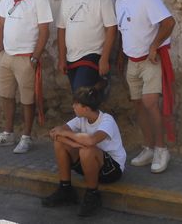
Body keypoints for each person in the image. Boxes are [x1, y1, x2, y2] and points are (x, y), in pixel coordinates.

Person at [108, 0, 176, 174]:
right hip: (132, 60)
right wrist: (121, 56)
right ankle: (148, 148)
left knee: (150, 103)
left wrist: (154, 46)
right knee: (138, 105)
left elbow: (169, 23)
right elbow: (124, 30)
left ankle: (161, 149)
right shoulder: (119, 1)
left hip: (150, 60)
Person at [0, 0, 53, 154]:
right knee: (6, 95)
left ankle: (26, 137)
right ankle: (8, 134)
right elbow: (0, 25)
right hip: (7, 56)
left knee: (27, 99)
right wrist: (1, 51)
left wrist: (35, 57)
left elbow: (44, 31)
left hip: (26, 58)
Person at [42, 80, 126, 217]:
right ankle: (65, 189)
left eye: (76, 104)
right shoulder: (80, 119)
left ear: (86, 108)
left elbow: (91, 140)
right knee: (60, 143)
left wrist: (68, 135)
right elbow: (54, 133)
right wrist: (73, 143)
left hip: (111, 170)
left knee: (87, 150)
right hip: (90, 164)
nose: (73, 106)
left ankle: (93, 194)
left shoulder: (107, 120)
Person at [57, 0, 117, 93]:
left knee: (82, 97)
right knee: (80, 97)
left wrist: (104, 59)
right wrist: (62, 58)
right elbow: (61, 29)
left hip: (93, 56)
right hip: (71, 57)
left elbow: (111, 28)